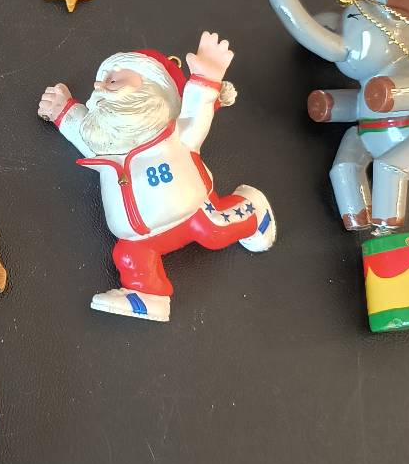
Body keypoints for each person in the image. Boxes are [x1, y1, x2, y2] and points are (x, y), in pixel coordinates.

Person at [38, 35, 276, 322]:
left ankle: (253, 211)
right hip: (140, 237)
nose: (100, 87)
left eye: (113, 80)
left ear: (153, 89)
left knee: (214, 232)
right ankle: (148, 295)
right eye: (99, 82)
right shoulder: (104, 144)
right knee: (128, 255)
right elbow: (82, 131)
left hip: (193, 213)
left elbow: (196, 111)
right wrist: (61, 108)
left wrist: (206, 79)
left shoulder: (176, 135)